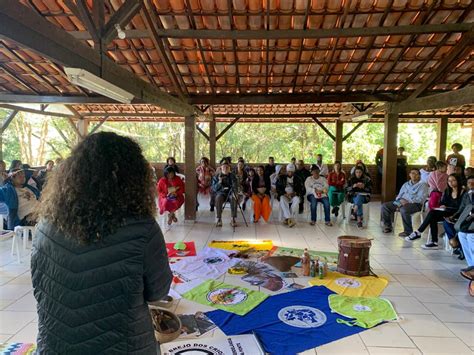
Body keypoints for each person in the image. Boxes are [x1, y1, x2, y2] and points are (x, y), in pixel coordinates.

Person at [32, 132, 172, 354]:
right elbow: (158, 292)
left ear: (73, 174)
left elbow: (41, 286)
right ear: (134, 179)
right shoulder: (142, 229)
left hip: (55, 346)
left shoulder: (45, 227)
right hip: (124, 346)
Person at [406, 173, 464, 249]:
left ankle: (419, 233)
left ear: (458, 181)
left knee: (433, 213)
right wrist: (442, 205)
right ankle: (433, 241)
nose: (451, 183)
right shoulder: (448, 191)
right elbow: (443, 202)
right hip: (446, 211)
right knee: (433, 216)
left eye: (453, 180)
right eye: (449, 181)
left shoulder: (463, 192)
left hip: (456, 213)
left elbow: (462, 207)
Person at [381, 168, 429, 236]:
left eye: (416, 174)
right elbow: (399, 195)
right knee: (385, 206)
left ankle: (408, 231)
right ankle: (388, 226)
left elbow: (421, 199)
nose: (414, 175)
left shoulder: (423, 185)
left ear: (419, 175)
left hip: (416, 204)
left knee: (404, 209)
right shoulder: (406, 184)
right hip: (401, 202)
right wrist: (400, 200)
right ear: (410, 175)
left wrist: (407, 201)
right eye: (412, 173)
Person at [448, 175, 474, 296]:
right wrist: (455, 217)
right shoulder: (467, 194)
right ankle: (471, 265)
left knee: (470, 237)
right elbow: (462, 208)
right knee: (463, 234)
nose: (471, 185)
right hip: (469, 223)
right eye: (470, 183)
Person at [276, 163, 304, 228]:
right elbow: (278, 189)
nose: (290, 173)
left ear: (294, 171)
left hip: (293, 195)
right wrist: (285, 194)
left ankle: (288, 219)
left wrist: (294, 193)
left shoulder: (298, 179)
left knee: (297, 200)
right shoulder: (281, 178)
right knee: (282, 199)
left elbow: (302, 189)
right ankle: (290, 219)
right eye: (289, 171)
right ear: (286, 171)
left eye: (291, 171)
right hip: (284, 195)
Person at [211, 162, 238, 227]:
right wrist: (219, 182)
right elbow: (214, 189)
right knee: (218, 198)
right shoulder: (216, 176)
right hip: (221, 193)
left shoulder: (232, 176)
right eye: (224, 167)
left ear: (229, 169)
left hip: (230, 193)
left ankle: (233, 219)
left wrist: (235, 192)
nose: (225, 168)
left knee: (233, 197)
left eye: (227, 167)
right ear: (221, 168)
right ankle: (219, 218)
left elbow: (235, 185)